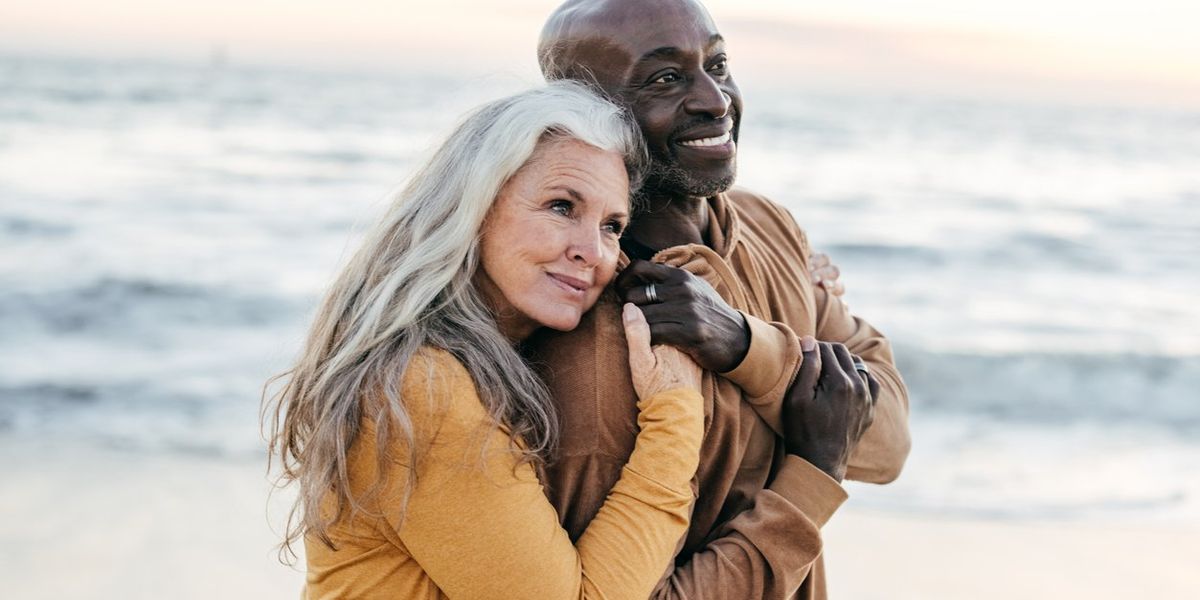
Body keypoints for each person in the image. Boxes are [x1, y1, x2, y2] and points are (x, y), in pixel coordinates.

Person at [263, 82, 710, 599]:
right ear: (473, 206)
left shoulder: (470, 361)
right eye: (561, 207)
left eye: (612, 225)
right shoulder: (423, 386)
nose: (592, 251)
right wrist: (675, 414)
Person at [528, 1, 912, 598]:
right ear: (587, 115)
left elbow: (888, 447)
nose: (716, 100)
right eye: (665, 79)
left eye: (719, 63)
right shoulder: (596, 328)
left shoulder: (769, 226)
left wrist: (742, 344)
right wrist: (815, 469)